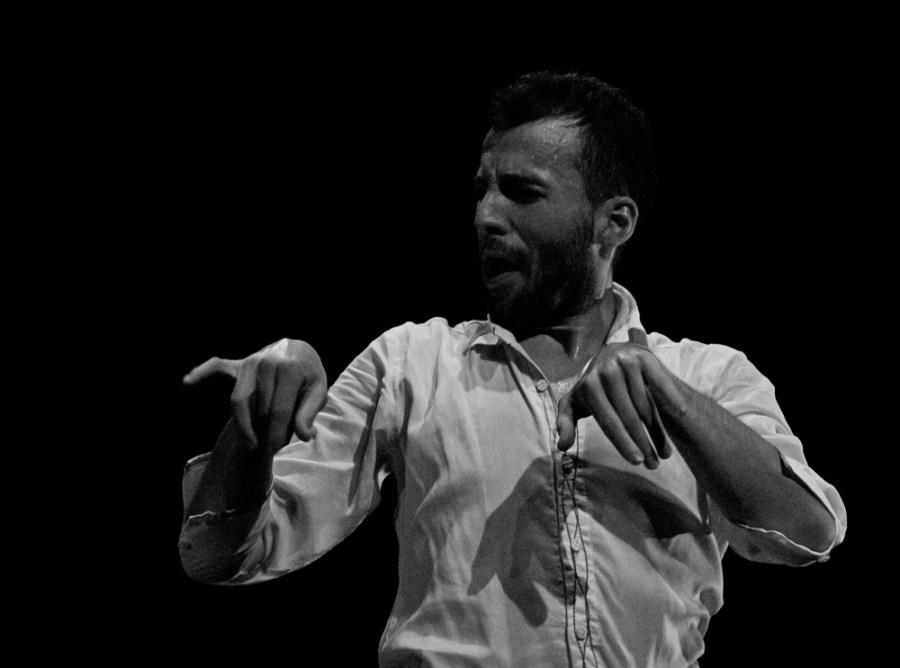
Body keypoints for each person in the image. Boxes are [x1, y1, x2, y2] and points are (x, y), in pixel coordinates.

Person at [178, 72, 846, 668]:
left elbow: (807, 536)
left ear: (613, 223)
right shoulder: (412, 364)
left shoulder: (708, 374)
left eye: (521, 193)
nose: (485, 216)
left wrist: (670, 398)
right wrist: (252, 435)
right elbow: (218, 556)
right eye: (482, 191)